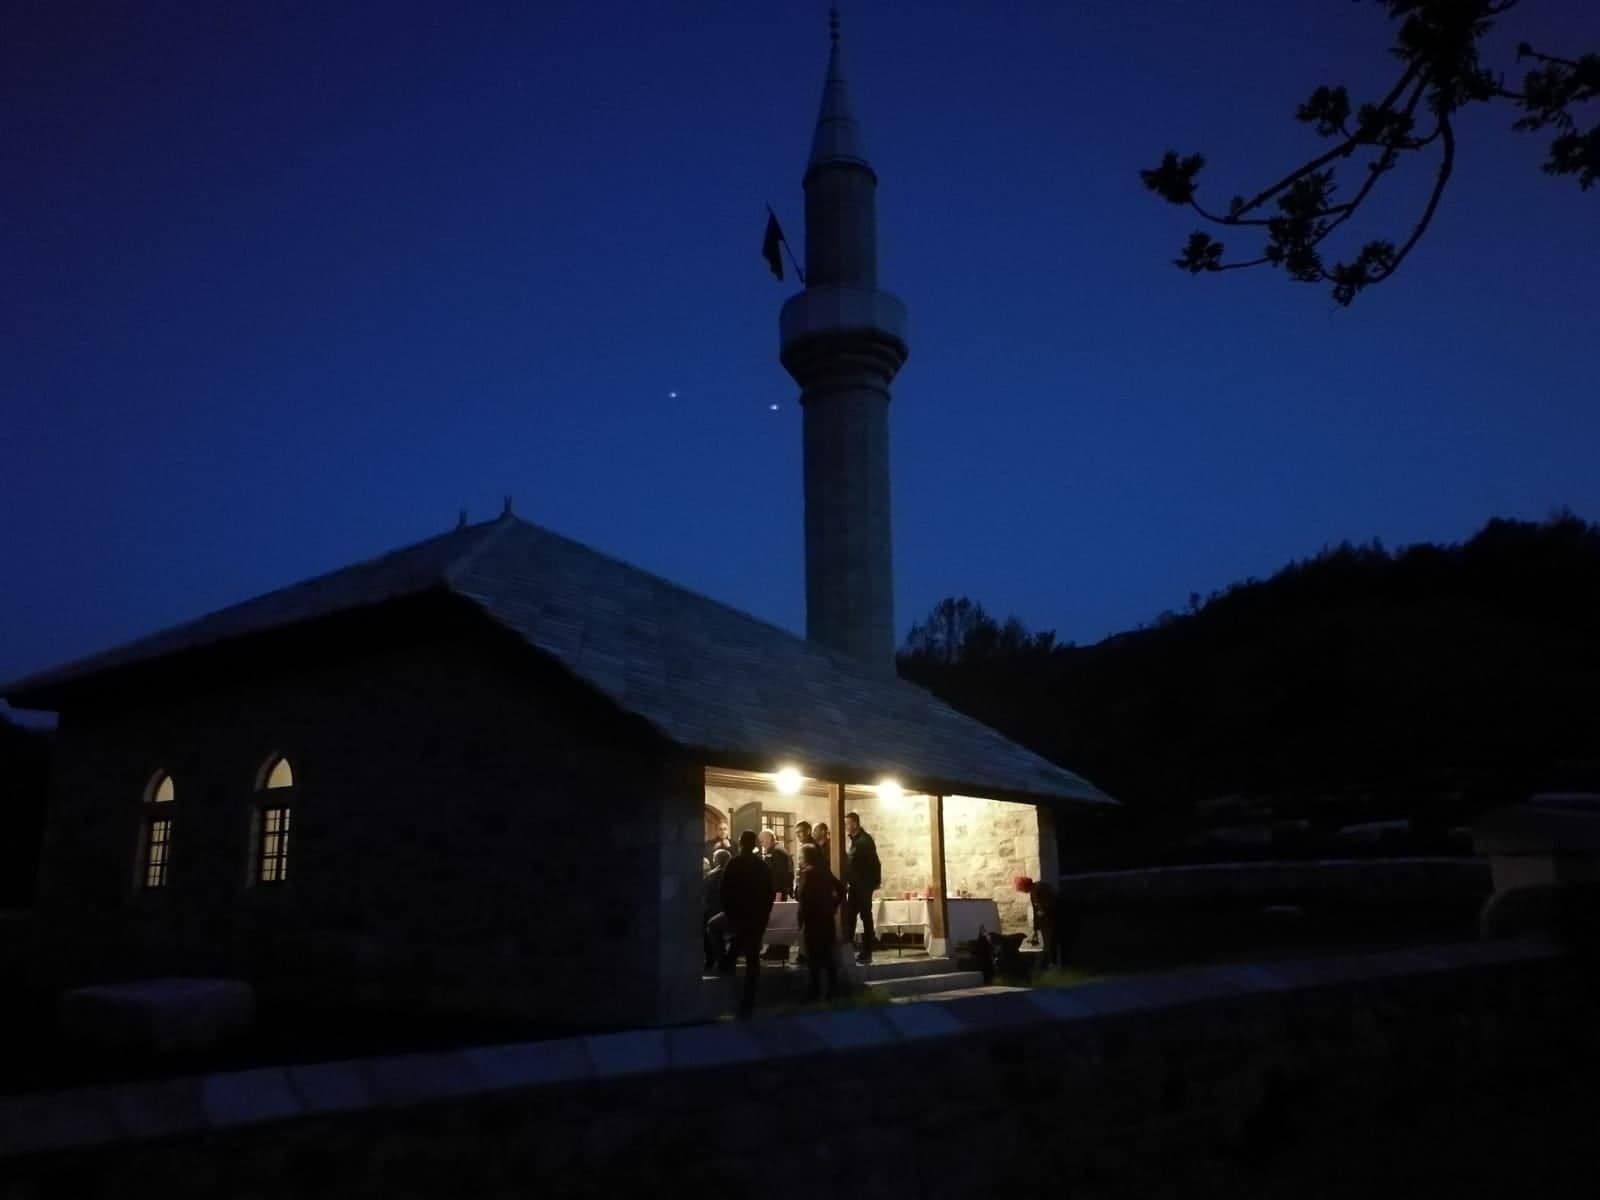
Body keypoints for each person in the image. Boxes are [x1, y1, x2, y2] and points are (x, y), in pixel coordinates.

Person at [721, 830, 776, 1018]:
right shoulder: (761, 866)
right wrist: (765, 914)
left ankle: (739, 998)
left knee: (742, 949)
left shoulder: (734, 863)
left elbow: (725, 890)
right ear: (753, 844)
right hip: (755, 917)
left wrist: (730, 913)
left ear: (741, 843)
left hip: (740, 916)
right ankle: (747, 1000)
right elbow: (770, 892)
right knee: (751, 957)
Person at [795, 842, 846, 1001]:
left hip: (812, 920)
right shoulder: (824, 871)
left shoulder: (807, 874)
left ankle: (814, 992)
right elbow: (841, 889)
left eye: (801, 856)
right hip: (827, 919)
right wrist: (833, 905)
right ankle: (832, 990)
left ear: (806, 858)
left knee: (813, 958)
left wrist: (800, 920)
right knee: (827, 956)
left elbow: (802, 898)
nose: (799, 859)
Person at [843, 811, 881, 964]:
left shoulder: (863, 841)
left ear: (854, 824)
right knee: (851, 917)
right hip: (857, 885)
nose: (845, 827)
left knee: (865, 917)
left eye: (847, 823)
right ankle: (849, 950)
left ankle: (866, 951)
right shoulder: (857, 840)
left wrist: (872, 883)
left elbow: (872, 863)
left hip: (862, 885)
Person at [702, 848, 732, 971]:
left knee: (705, 927)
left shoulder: (711, 875)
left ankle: (710, 958)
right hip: (731, 910)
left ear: (716, 861)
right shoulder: (734, 873)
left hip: (714, 910)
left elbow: (705, 894)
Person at [758, 829, 793, 901]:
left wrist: (778, 895)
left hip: (777, 894)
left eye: (762, 841)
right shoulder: (778, 850)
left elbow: (779, 875)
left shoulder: (776, 852)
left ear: (769, 839)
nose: (762, 845)